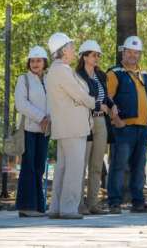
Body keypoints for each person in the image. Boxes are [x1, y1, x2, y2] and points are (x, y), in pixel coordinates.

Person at [46, 33, 95, 219]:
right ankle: (68, 208)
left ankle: (57, 207)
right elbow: (79, 94)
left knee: (63, 169)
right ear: (64, 50)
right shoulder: (62, 70)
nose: (74, 51)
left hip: (66, 126)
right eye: (72, 47)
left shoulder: (57, 70)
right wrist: (93, 102)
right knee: (74, 169)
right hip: (73, 126)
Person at [106, 36, 147, 214]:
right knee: (119, 166)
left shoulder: (145, 75)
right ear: (123, 53)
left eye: (136, 53)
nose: (133, 56)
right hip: (124, 128)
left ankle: (138, 202)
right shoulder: (114, 73)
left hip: (143, 129)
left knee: (139, 167)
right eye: (130, 52)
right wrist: (116, 120)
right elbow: (107, 98)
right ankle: (114, 203)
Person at [76, 40, 113, 215]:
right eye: (93, 55)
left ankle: (93, 203)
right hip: (84, 120)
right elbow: (80, 99)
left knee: (97, 165)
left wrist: (112, 105)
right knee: (81, 165)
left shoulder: (101, 75)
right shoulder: (77, 76)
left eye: (98, 55)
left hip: (100, 122)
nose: (97, 58)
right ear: (84, 57)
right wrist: (100, 105)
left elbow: (106, 97)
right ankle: (78, 204)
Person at [14, 46, 50, 218]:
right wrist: (41, 117)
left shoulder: (49, 80)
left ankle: (39, 207)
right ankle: (26, 207)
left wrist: (49, 119)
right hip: (29, 130)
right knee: (28, 167)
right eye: (32, 61)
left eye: (39, 60)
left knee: (39, 168)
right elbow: (21, 104)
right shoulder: (23, 79)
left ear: (44, 62)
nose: (35, 64)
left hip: (45, 131)